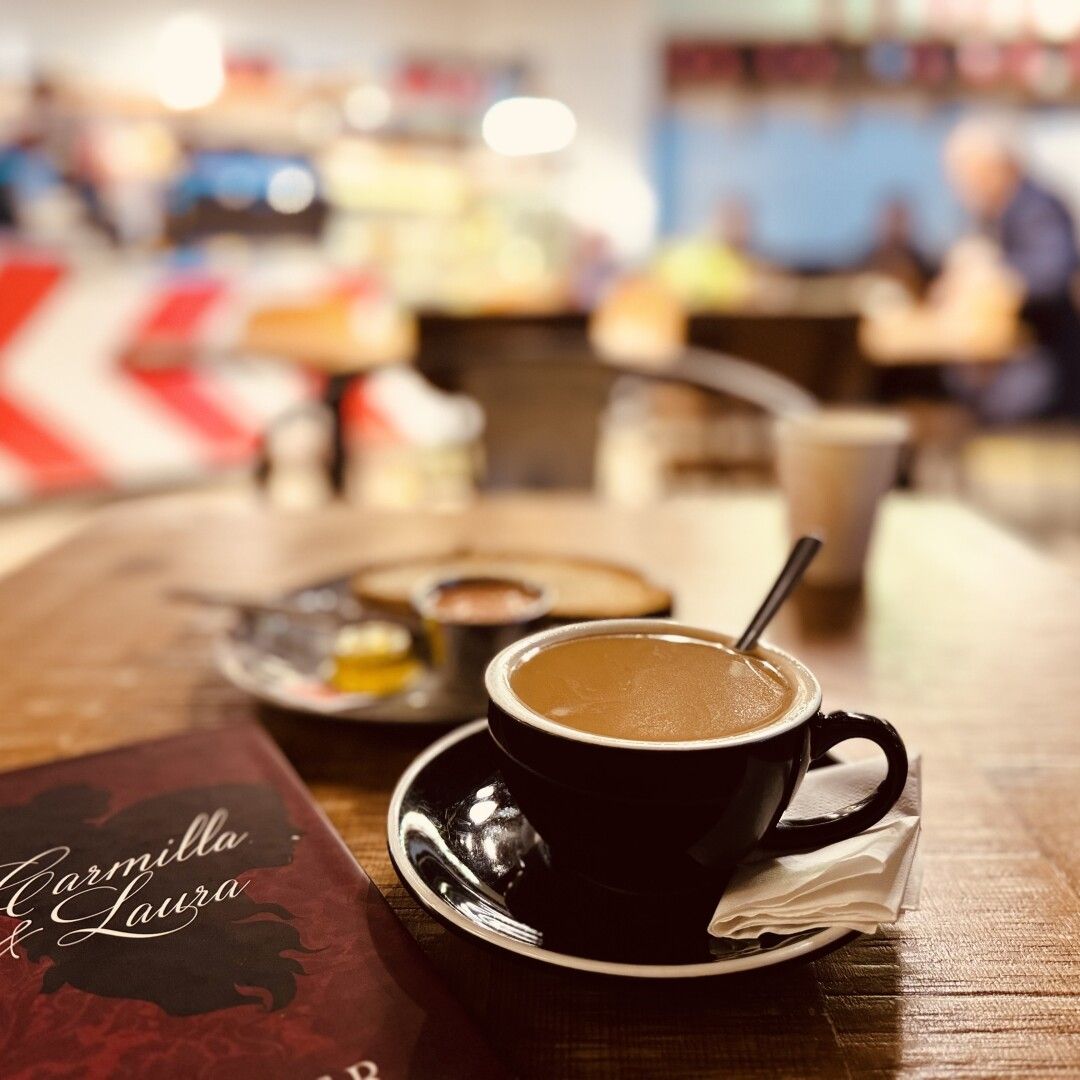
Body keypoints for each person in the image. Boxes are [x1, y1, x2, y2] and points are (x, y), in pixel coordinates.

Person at [943, 117, 1080, 421]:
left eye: (967, 174)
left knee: (974, 397)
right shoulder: (992, 215)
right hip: (1013, 359)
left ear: (996, 168)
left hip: (1045, 365)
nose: (961, 187)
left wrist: (995, 276)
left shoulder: (1036, 207)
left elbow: (1054, 274)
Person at [860, 198, 933, 296]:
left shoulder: (924, 266)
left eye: (900, 219)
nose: (895, 225)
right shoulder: (864, 264)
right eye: (891, 219)